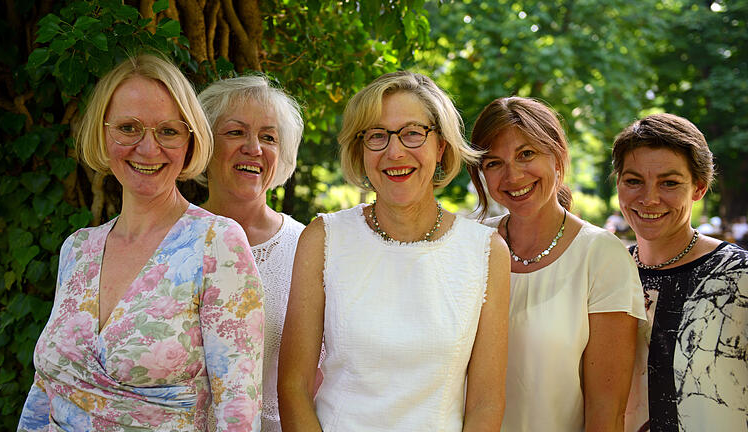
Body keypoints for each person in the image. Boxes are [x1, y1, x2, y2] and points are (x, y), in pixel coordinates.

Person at [17, 54, 263, 431]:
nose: (148, 149)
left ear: (190, 140)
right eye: (129, 128)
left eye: (168, 131)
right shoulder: (78, 249)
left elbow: (238, 411)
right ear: (102, 132)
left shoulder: (217, 244)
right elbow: (46, 388)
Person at [278, 71, 510, 431]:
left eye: (413, 133)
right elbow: (293, 387)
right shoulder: (324, 238)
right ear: (360, 149)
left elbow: (486, 402)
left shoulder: (485, 252)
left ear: (441, 146)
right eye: (377, 136)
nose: (395, 151)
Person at [467, 96, 646, 431]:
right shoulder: (471, 245)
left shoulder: (601, 255)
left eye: (526, 154)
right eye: (493, 163)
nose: (513, 175)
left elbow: (606, 411)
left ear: (558, 156)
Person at [613, 113, 748, 431]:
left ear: (699, 188)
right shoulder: (606, 272)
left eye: (669, 183)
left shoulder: (739, 276)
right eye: (634, 181)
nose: (648, 198)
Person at [197, 76, 309, 432]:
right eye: (235, 132)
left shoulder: (307, 247)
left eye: (268, 137)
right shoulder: (171, 239)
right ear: (204, 144)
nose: (254, 148)